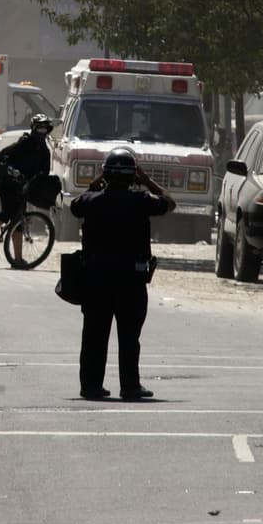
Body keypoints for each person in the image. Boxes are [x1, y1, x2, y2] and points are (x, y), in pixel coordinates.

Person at [70, 147, 175, 401]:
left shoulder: (91, 201)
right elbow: (169, 203)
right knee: (129, 337)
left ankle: (91, 386)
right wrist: (147, 180)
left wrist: (98, 180)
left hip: (96, 280)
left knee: (94, 335)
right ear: (132, 176)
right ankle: (130, 386)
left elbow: (75, 205)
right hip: (131, 280)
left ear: (106, 174)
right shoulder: (141, 201)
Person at [0, 114, 54, 267]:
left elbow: (43, 173)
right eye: (40, 128)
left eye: (45, 128)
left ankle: (17, 260)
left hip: (23, 188)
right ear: (34, 128)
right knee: (5, 216)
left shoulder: (45, 150)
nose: (42, 131)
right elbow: (5, 157)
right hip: (9, 185)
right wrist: (12, 171)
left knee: (19, 223)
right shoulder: (24, 143)